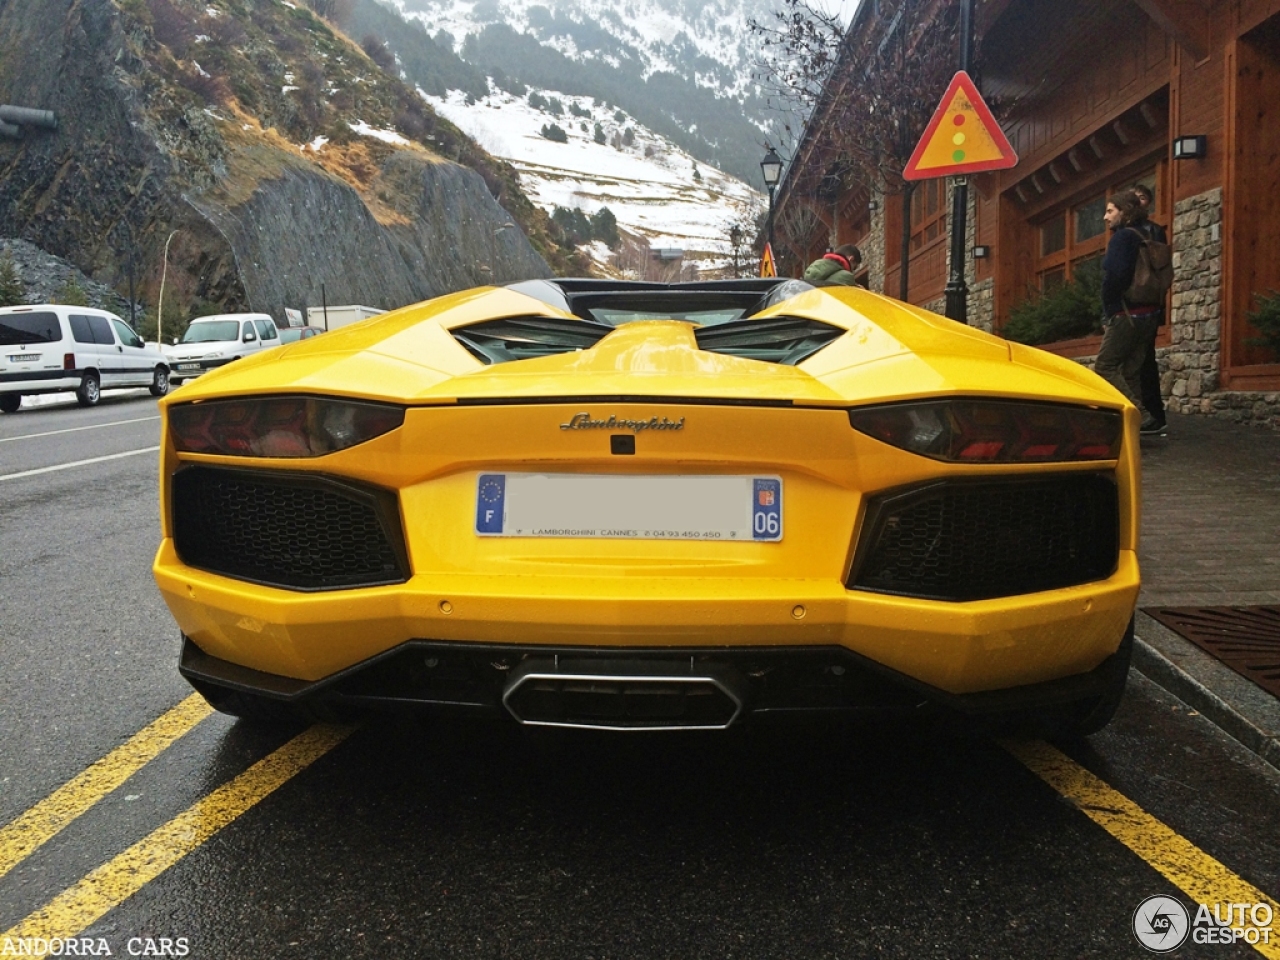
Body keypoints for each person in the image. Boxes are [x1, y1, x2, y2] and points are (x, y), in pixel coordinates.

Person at [1097, 192, 1162, 427]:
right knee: (1131, 371)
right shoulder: (1149, 233)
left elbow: (1115, 276)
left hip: (1125, 313)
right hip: (1149, 312)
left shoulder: (1123, 238)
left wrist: (1108, 310)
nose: (1106, 217)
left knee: (1105, 366)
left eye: (1110, 211)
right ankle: (1135, 424)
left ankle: (1140, 416)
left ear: (1124, 212)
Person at [1131, 184, 1168, 435]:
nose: (1138, 201)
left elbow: (1160, 269)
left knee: (1145, 359)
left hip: (1145, 302)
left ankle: (1153, 415)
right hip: (1126, 303)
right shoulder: (1121, 230)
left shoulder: (1154, 230)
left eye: (1142, 197)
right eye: (1134, 197)